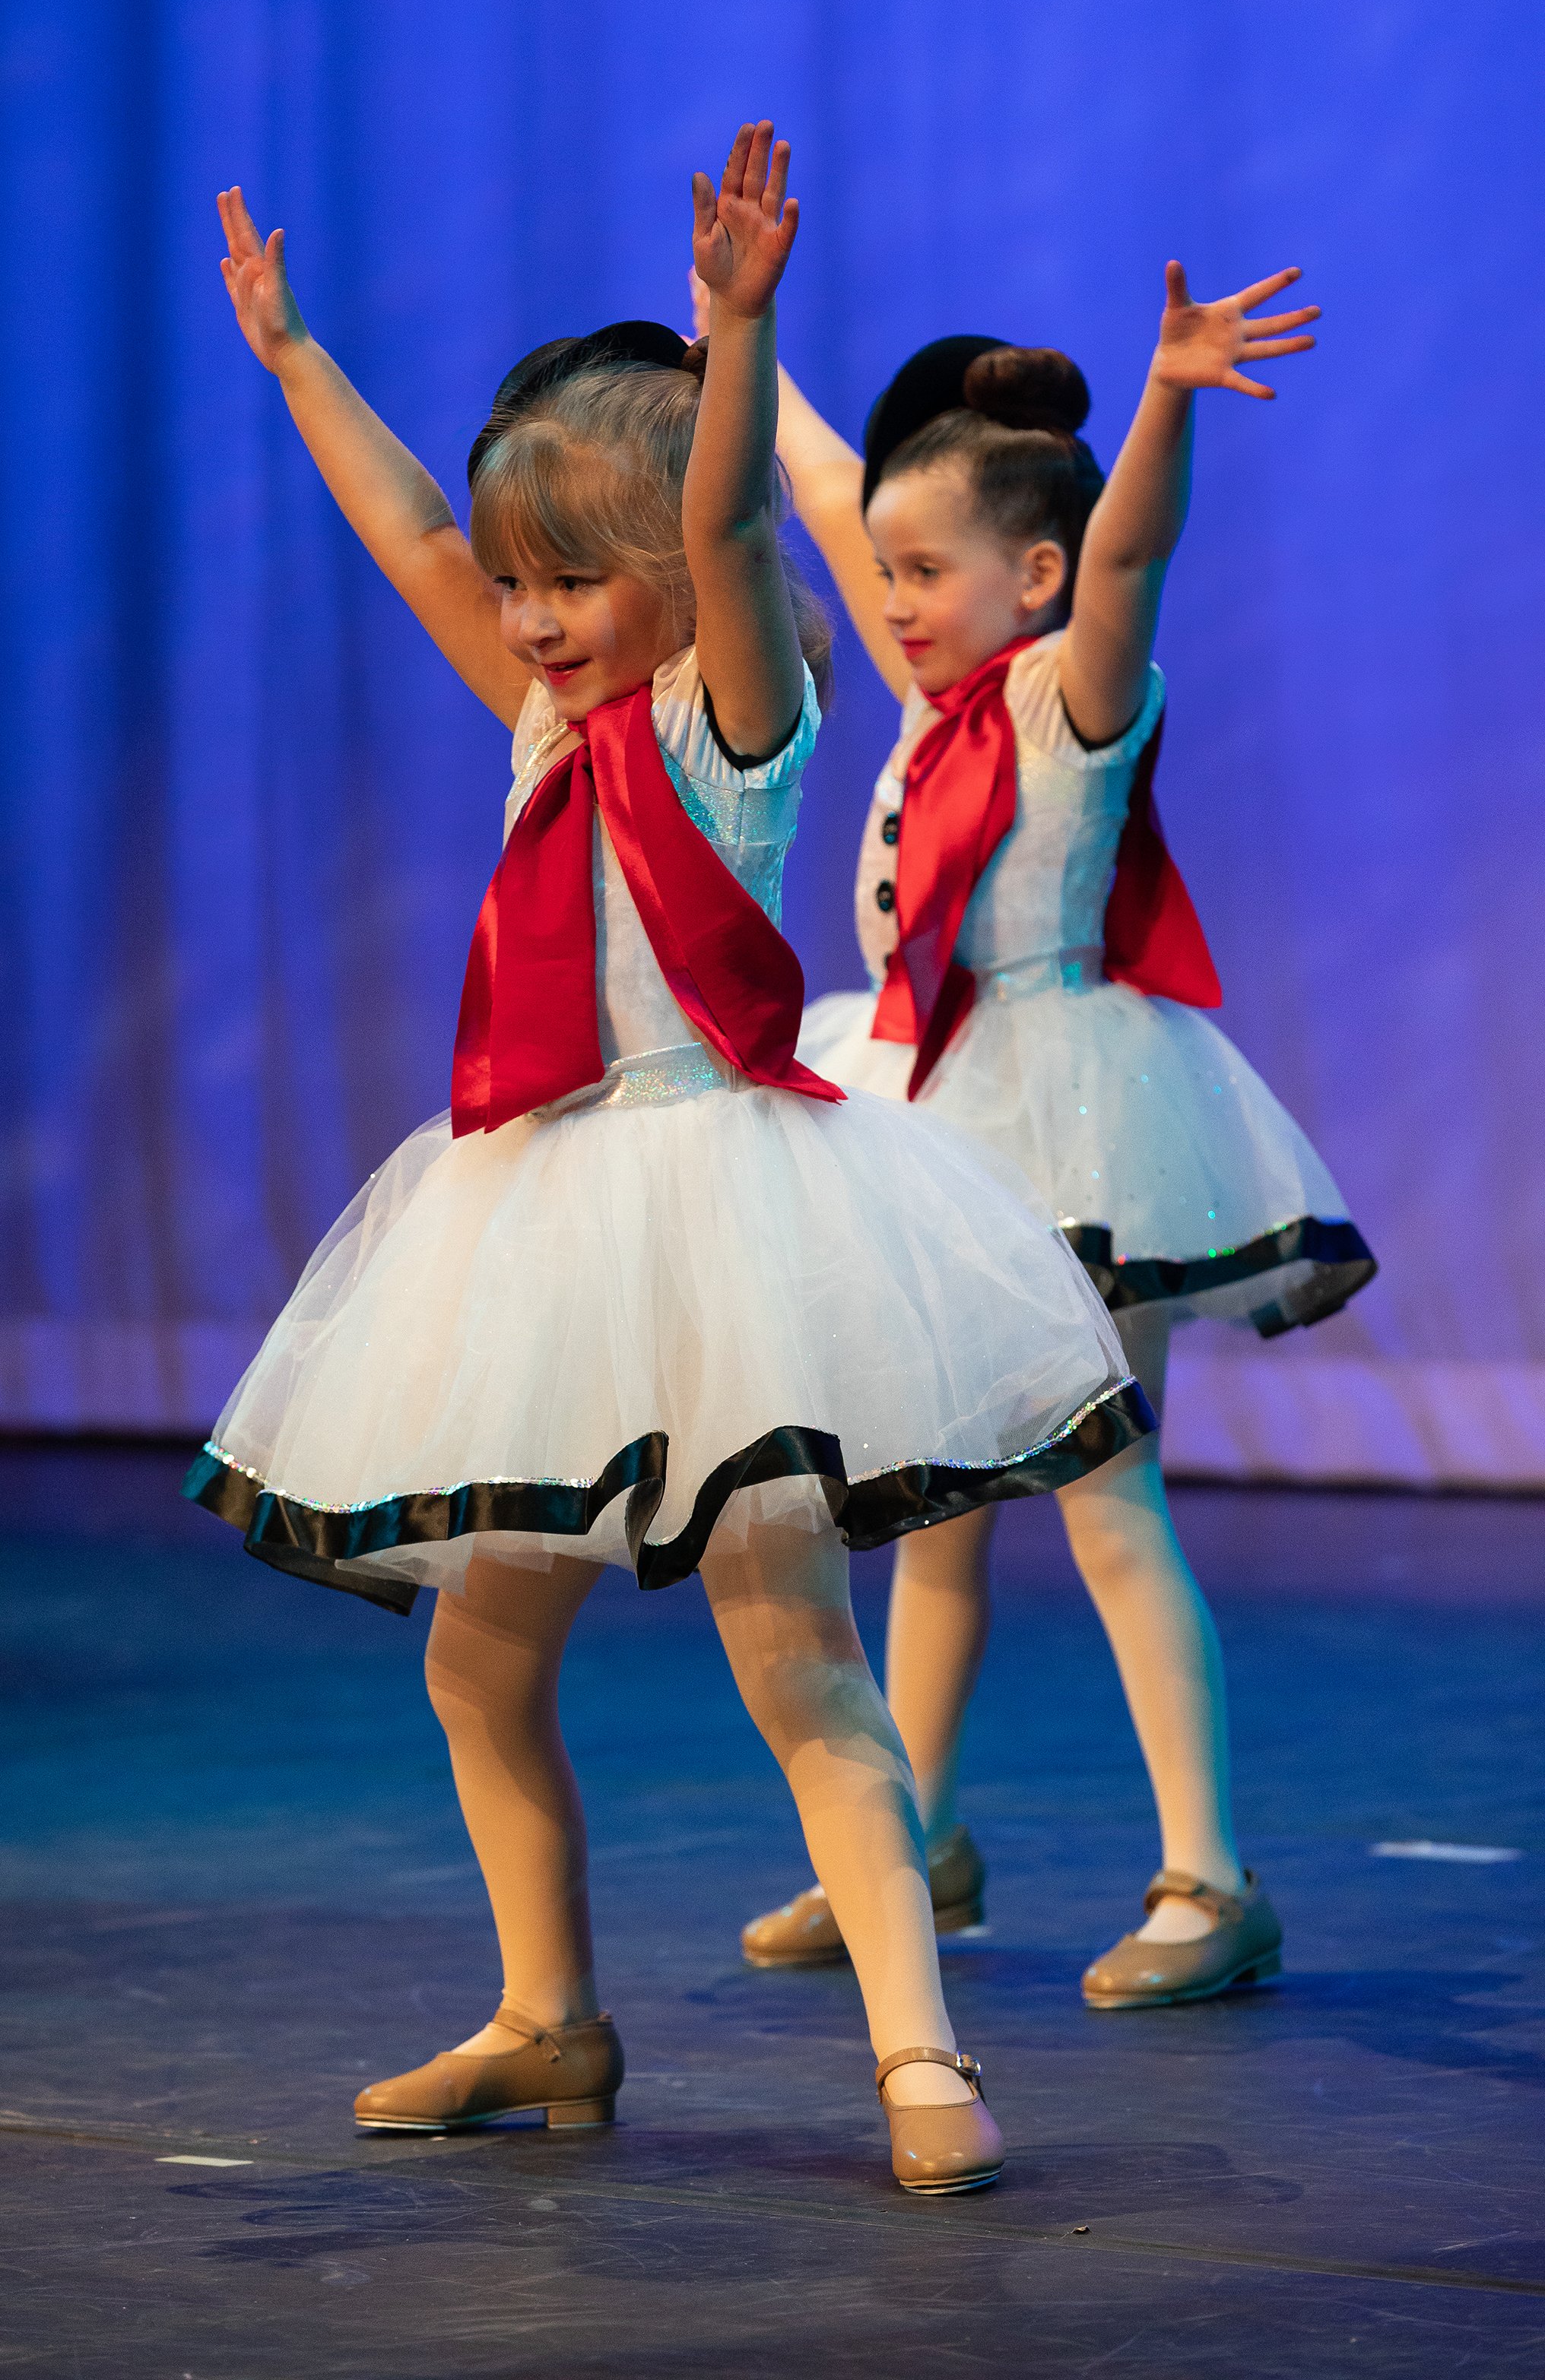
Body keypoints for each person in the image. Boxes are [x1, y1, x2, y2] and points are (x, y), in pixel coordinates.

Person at [189, 125, 1153, 2194]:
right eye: (522, 585)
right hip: (532, 1209)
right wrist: (291, 360)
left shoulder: (737, 720)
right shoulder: (542, 712)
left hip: (716, 1217)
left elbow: (725, 526)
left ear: (675, 589)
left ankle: (914, 2050)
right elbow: (418, 542)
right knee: (478, 1656)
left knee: (796, 1655)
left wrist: (739, 329)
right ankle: (550, 2019)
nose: (528, 617)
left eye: (572, 582)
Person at [725, 266, 1375, 2007]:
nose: (892, 600)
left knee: (1105, 1502)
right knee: (934, 1517)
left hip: (1077, 1124)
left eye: (925, 577)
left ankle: (1205, 1876)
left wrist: (1163, 397)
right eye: (887, 576)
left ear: (1030, 577)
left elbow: (1132, 559)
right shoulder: (938, 703)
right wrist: (742, 334)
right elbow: (812, 483)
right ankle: (915, 1845)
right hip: (938, 1113)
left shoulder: (1066, 708)